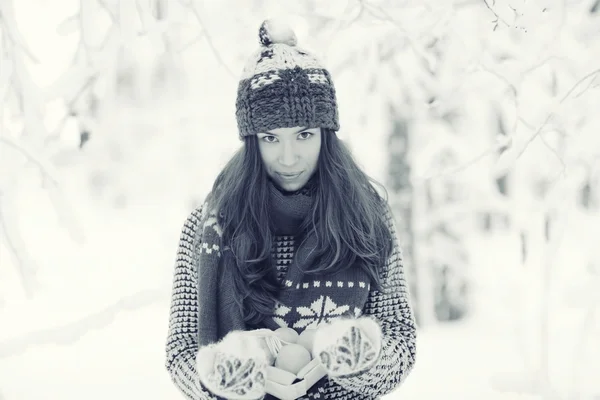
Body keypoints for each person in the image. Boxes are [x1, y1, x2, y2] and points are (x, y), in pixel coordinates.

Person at [164, 19, 417, 400]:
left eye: (304, 135)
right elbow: (182, 350)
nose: (288, 157)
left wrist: (342, 372)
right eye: (270, 138)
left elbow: (399, 336)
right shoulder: (209, 228)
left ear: (326, 134)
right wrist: (241, 382)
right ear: (251, 142)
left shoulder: (366, 217)